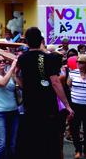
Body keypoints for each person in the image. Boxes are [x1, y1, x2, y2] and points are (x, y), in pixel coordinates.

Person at [16, 27, 74, 159]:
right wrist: (67, 105)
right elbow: (55, 82)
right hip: (47, 105)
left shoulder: (22, 59)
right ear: (41, 40)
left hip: (30, 104)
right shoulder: (49, 58)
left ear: (26, 42)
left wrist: (30, 89)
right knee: (48, 138)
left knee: (32, 138)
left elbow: (18, 78)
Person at [0, 55, 19, 159]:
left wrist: (15, 74)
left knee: (13, 143)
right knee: (2, 143)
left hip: (14, 111)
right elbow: (2, 83)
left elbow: (21, 86)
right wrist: (12, 68)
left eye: (4, 61)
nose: (2, 63)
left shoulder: (9, 74)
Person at [67, 54, 86, 159]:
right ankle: (78, 150)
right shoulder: (73, 73)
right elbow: (69, 85)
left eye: (81, 62)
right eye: (78, 62)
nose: (78, 64)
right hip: (75, 106)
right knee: (74, 129)